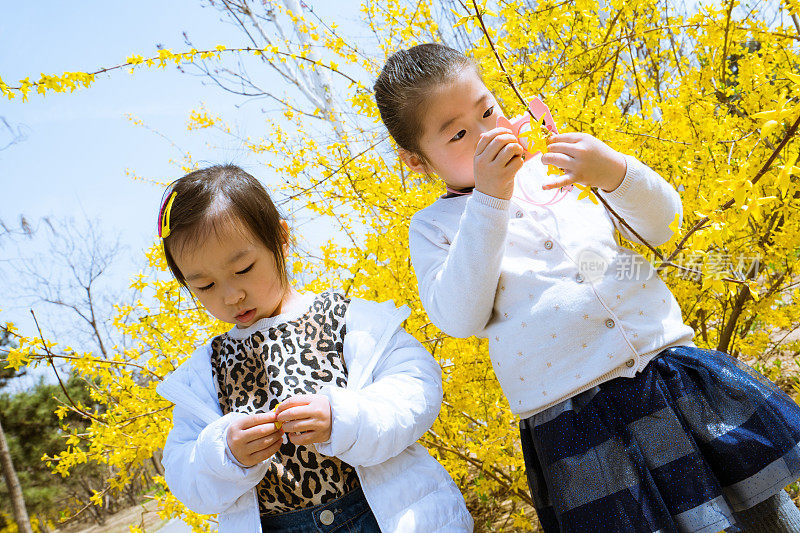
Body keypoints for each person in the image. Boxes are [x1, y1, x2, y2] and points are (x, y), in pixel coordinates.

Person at [373, 42, 800, 533]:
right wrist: (489, 200)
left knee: (759, 516)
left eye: (488, 110)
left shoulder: (564, 167)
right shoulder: (437, 227)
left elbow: (661, 226)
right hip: (579, 422)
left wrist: (614, 171)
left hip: (667, 376)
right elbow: (459, 315)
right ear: (417, 162)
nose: (489, 133)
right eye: (461, 134)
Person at [154, 164, 473, 532]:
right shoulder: (206, 370)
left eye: (243, 268)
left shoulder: (346, 318)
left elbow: (416, 387)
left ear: (281, 237)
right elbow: (183, 472)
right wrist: (225, 453)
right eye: (205, 286)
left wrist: (342, 419)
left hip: (379, 515)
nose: (231, 295)